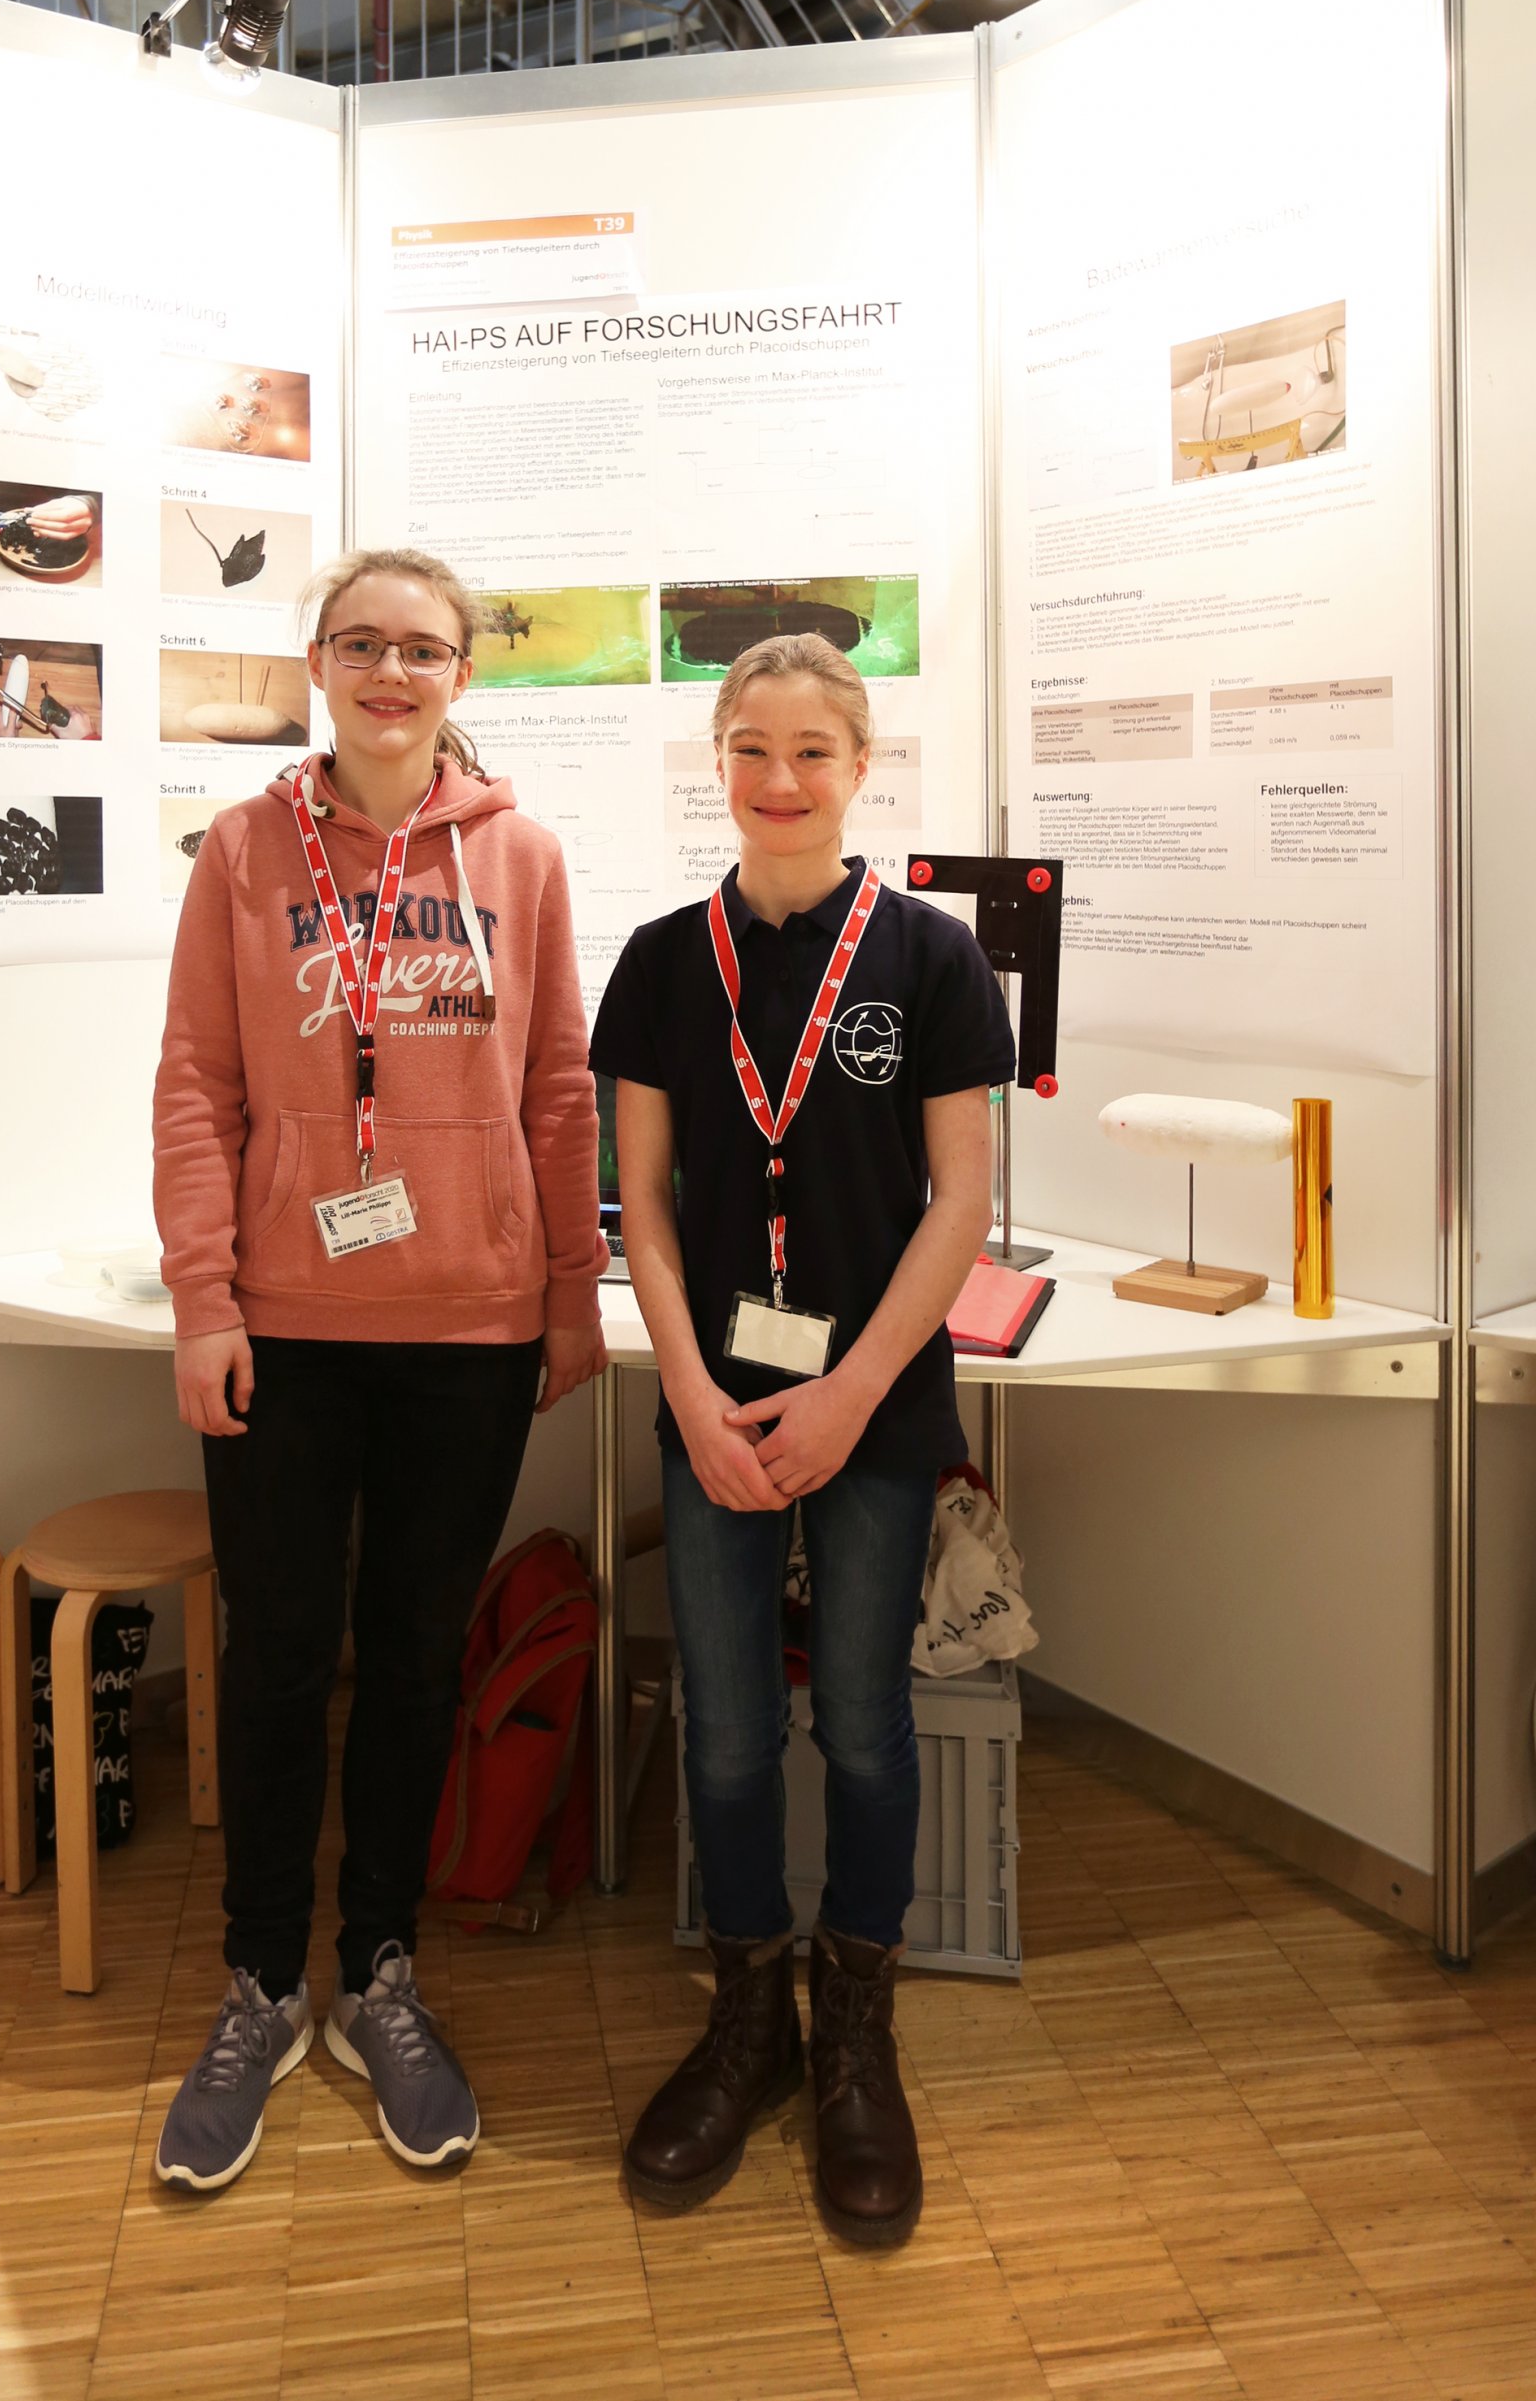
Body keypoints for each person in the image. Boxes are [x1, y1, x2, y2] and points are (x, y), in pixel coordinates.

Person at [151, 544, 607, 2197]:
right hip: (286, 1321)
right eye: (362, 643)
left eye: (423, 647)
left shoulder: (525, 858)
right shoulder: (245, 849)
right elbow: (199, 1088)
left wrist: (569, 1297)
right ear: (318, 664)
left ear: (463, 675)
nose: (392, 671)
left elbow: (560, 1091)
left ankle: (382, 1972)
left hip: (471, 1328)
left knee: (416, 1659)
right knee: (279, 1658)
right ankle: (264, 1984)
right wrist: (206, 1305)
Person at [589, 632, 1014, 2250]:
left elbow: (963, 1202)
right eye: (751, 749)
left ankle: (857, 2032)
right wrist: (695, 1397)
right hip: (711, 1407)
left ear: (862, 765)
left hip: (876, 1413)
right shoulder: (657, 959)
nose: (780, 780)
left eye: (813, 753)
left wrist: (845, 1398)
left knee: (862, 1722)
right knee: (724, 1734)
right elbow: (644, 1206)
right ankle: (747, 2009)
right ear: (717, 758)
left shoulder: (930, 959)